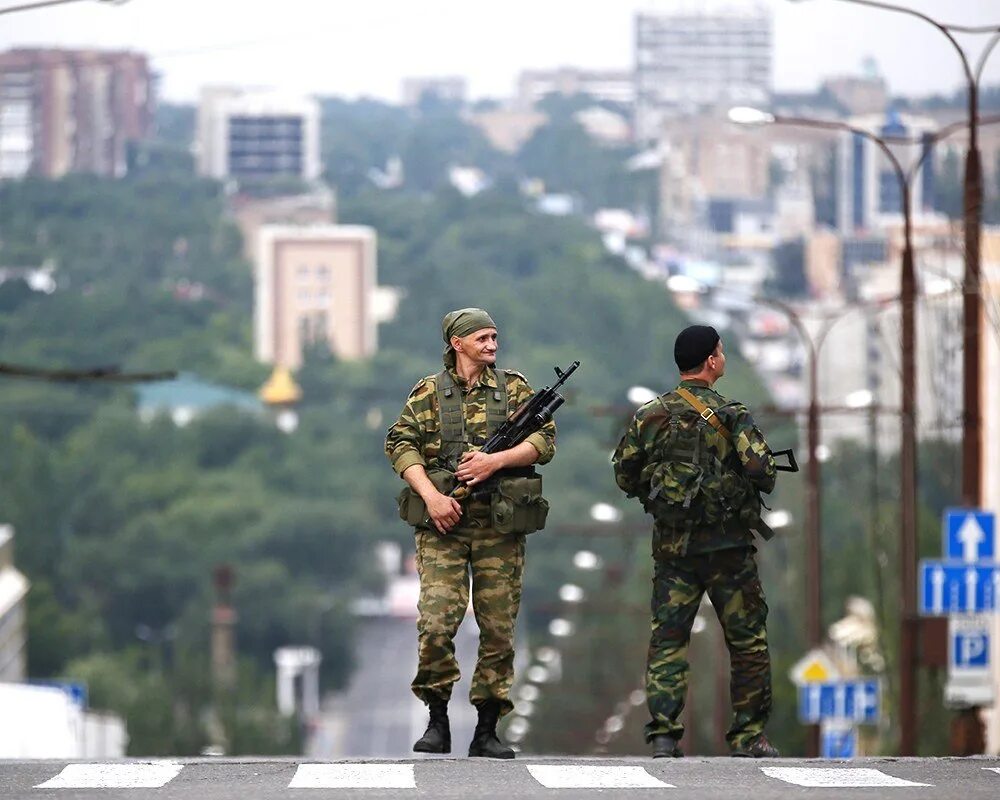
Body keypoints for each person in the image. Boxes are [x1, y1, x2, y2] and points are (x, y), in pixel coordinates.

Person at [385, 307, 555, 759]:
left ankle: (487, 727)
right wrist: (432, 496)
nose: (492, 345)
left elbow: (544, 441)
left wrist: (494, 461)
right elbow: (400, 444)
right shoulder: (428, 393)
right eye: (482, 338)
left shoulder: (514, 388)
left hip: (499, 528)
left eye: (495, 337)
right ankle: (437, 720)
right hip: (444, 525)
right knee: (438, 621)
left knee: (498, 628)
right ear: (457, 344)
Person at [612, 324, 780, 759]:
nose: (723, 358)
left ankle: (665, 736)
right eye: (721, 352)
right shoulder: (732, 415)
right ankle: (748, 738)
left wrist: (661, 493)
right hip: (729, 551)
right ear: (711, 361)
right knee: (747, 641)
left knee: (668, 641)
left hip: (674, 550)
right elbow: (763, 472)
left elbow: (624, 474)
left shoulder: (649, 414)